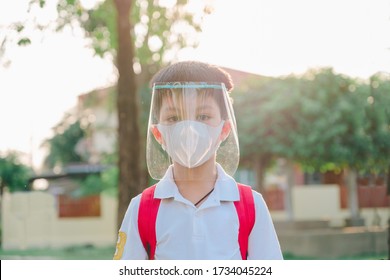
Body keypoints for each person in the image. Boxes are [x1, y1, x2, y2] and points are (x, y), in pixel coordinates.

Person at [113, 61, 283, 260]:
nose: (189, 130)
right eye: (173, 118)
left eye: (203, 116)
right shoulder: (142, 208)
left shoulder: (250, 205)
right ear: (158, 134)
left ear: (224, 129)